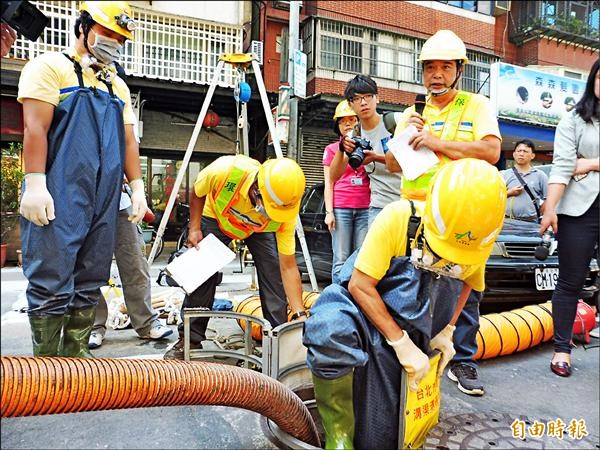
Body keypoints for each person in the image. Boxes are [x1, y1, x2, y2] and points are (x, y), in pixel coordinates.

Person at [303, 159, 506, 449]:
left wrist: (447, 331)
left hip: (421, 321)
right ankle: (339, 434)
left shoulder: (477, 237)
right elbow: (360, 284)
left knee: (388, 434)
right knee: (328, 327)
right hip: (365, 310)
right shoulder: (398, 218)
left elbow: (470, 283)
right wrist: (400, 342)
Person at [18, 1, 147, 357]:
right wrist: (35, 183)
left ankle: (75, 360)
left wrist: (137, 187)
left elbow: (127, 140)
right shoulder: (49, 67)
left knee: (91, 276)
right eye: (107, 33)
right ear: (83, 27)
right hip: (59, 191)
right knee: (52, 275)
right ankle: (45, 366)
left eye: (120, 38)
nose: (113, 43)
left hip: (103, 197)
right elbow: (35, 128)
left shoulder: (116, 85)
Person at [385, 29, 501, 396]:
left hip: (461, 214)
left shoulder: (475, 106)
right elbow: (391, 164)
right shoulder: (412, 112)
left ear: (459, 70)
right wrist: (404, 134)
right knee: (412, 288)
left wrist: (438, 143)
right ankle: (410, 357)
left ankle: (463, 360)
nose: (436, 74)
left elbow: (491, 152)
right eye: (429, 67)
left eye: (444, 67)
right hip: (416, 214)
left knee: (462, 288)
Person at [164, 155, 307, 359]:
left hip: (257, 230)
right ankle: (190, 340)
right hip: (217, 217)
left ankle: (278, 341)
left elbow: (288, 267)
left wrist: (300, 313)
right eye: (269, 208)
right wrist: (194, 228)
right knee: (203, 274)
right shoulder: (225, 171)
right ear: (257, 190)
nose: (271, 213)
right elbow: (197, 191)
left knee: (273, 274)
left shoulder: (284, 212)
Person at [540, 59, 599, 378]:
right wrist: (550, 207)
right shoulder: (575, 119)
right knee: (570, 281)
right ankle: (562, 348)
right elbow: (563, 166)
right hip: (579, 210)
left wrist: (588, 163)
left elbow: (578, 165)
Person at [88, 183, 173, 349]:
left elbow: (130, 157)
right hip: (84, 202)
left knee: (135, 262)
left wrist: (138, 189)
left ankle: (146, 323)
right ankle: (93, 325)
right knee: (87, 266)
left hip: (120, 202)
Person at [339, 75, 402, 226]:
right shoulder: (354, 135)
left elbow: (412, 163)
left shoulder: (397, 121)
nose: (363, 102)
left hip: (407, 202)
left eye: (368, 96)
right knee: (370, 250)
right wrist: (341, 149)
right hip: (378, 205)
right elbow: (334, 175)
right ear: (350, 104)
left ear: (377, 98)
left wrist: (375, 157)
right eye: (357, 98)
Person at [323, 100, 370, 284]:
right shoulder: (332, 149)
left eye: (352, 119)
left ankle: (357, 299)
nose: (348, 124)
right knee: (341, 259)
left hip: (365, 208)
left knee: (362, 259)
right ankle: (338, 301)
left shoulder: (367, 145)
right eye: (343, 121)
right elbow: (329, 182)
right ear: (338, 125)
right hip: (341, 208)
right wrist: (329, 212)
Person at [501, 139, 548, 223]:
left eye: (525, 151)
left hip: (531, 221)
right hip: (506, 221)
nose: (521, 154)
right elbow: (494, 197)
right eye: (519, 151)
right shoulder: (503, 175)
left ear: (532, 156)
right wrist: (509, 193)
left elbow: (548, 198)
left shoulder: (540, 175)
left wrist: (541, 212)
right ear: (514, 154)